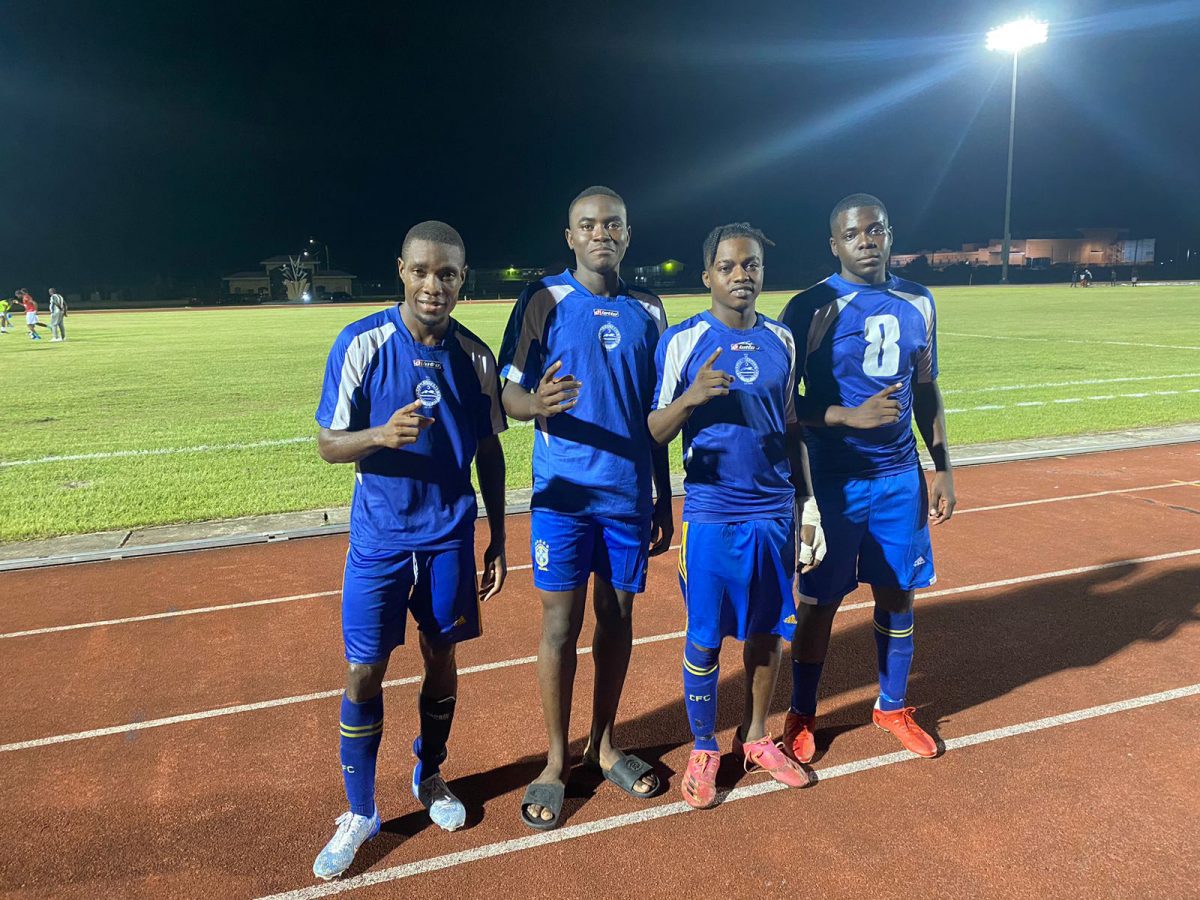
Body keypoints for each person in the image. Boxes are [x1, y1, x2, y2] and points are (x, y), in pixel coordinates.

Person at [311, 220, 508, 880]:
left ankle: (430, 773)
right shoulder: (361, 343)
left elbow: (489, 451)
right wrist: (380, 436)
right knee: (364, 668)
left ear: (461, 281)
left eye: (447, 274)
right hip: (381, 540)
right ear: (401, 269)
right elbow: (328, 443)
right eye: (423, 271)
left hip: (450, 536)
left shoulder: (475, 358)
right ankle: (361, 811)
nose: (434, 284)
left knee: (442, 654)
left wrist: (499, 536)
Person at [498, 185, 673, 830]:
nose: (602, 234)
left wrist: (663, 493)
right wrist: (536, 405)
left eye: (614, 225)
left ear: (628, 235)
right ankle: (554, 760)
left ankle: (603, 744)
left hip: (628, 495)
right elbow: (507, 397)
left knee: (616, 620)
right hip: (563, 497)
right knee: (559, 626)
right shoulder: (544, 299)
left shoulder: (650, 310)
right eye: (588, 225)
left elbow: (656, 415)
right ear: (569, 236)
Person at [649, 223, 825, 808]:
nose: (741, 275)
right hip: (712, 511)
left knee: (769, 631)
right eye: (728, 267)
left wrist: (808, 501)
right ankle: (704, 745)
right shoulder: (683, 341)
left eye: (750, 265)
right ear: (708, 276)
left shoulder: (782, 339)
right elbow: (652, 431)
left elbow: (793, 423)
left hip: (774, 511)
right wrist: (692, 397)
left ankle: (755, 737)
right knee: (704, 640)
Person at [779, 193, 956, 763]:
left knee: (898, 596)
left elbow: (926, 389)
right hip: (832, 480)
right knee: (818, 603)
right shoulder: (808, 307)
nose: (867, 240)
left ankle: (891, 705)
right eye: (853, 234)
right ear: (834, 244)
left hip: (899, 476)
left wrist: (943, 466)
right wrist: (845, 418)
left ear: (889, 233)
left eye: (875, 230)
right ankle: (802, 712)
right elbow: (784, 405)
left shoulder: (919, 300)